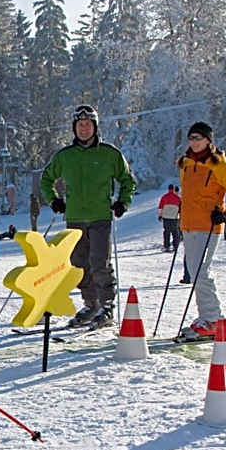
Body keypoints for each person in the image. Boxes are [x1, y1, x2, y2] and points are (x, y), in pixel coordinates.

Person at [39, 104, 136, 328]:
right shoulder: (65, 156)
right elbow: (46, 180)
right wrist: (54, 200)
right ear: (74, 128)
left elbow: (127, 180)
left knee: (99, 262)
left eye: (88, 124)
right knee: (79, 264)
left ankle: (106, 306)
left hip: (100, 216)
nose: (84, 129)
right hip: (74, 218)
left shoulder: (109, 154)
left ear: (95, 127)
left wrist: (123, 202)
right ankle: (91, 304)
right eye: (80, 125)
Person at [177, 121, 226, 337]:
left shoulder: (217, 164)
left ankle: (213, 319)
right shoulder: (186, 163)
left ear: (208, 140)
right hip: (189, 225)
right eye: (191, 138)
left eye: (198, 138)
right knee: (195, 273)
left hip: (208, 226)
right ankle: (207, 317)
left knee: (201, 272)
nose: (194, 142)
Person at [158, 184, 182, 252]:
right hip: (174, 218)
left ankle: (167, 247)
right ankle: (175, 246)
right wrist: (180, 217)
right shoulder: (178, 198)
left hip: (166, 218)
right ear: (174, 189)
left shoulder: (164, 197)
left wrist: (160, 216)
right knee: (175, 233)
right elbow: (180, 209)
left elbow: (160, 207)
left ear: (168, 189)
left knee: (166, 232)